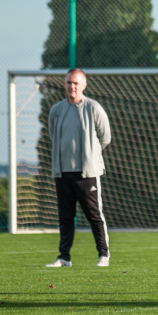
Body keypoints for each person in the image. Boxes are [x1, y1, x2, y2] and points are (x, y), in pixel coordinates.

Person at [45, 68, 112, 268]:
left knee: (94, 215)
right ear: (65, 84)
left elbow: (105, 137)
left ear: (84, 85)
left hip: (87, 174)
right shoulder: (57, 110)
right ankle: (64, 257)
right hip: (62, 172)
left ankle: (103, 255)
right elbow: (52, 134)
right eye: (69, 82)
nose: (72, 86)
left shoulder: (93, 108)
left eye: (76, 83)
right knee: (65, 218)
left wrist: (91, 155)